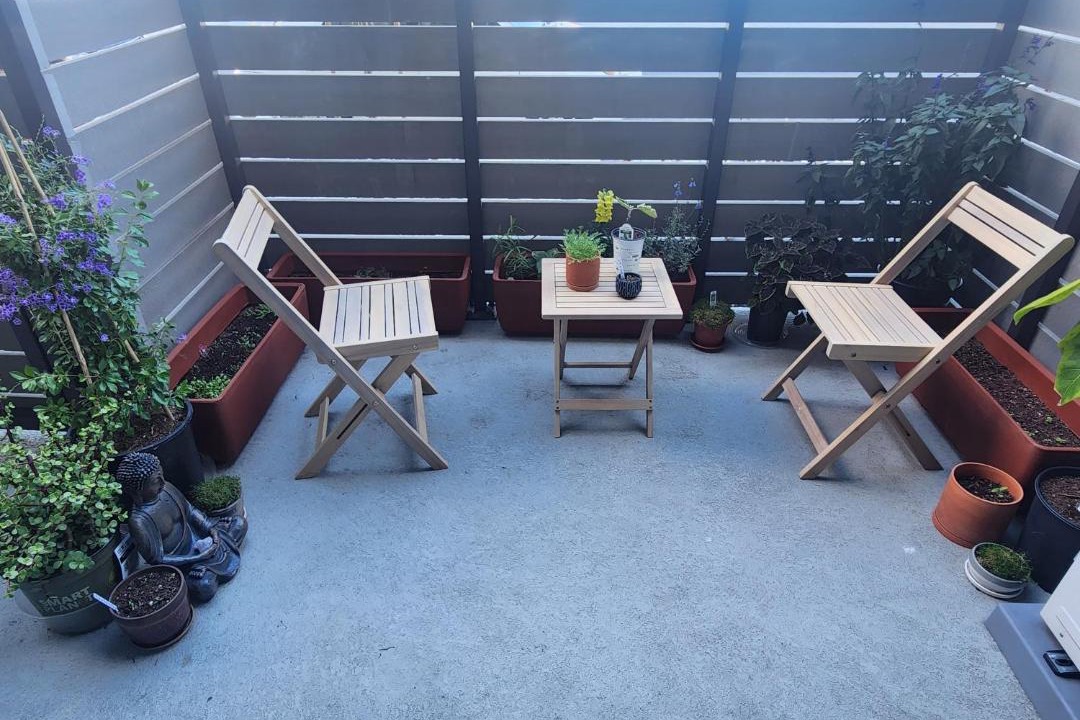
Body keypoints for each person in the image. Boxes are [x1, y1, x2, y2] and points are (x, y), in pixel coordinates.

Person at [116, 453, 246, 603]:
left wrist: (211, 529)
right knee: (204, 586)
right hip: (183, 562)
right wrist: (197, 558)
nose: (162, 482)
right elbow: (158, 559)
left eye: (161, 475)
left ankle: (213, 557)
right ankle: (206, 567)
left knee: (238, 523)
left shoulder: (167, 489)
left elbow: (190, 511)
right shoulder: (139, 521)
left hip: (198, 538)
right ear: (138, 490)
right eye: (155, 481)